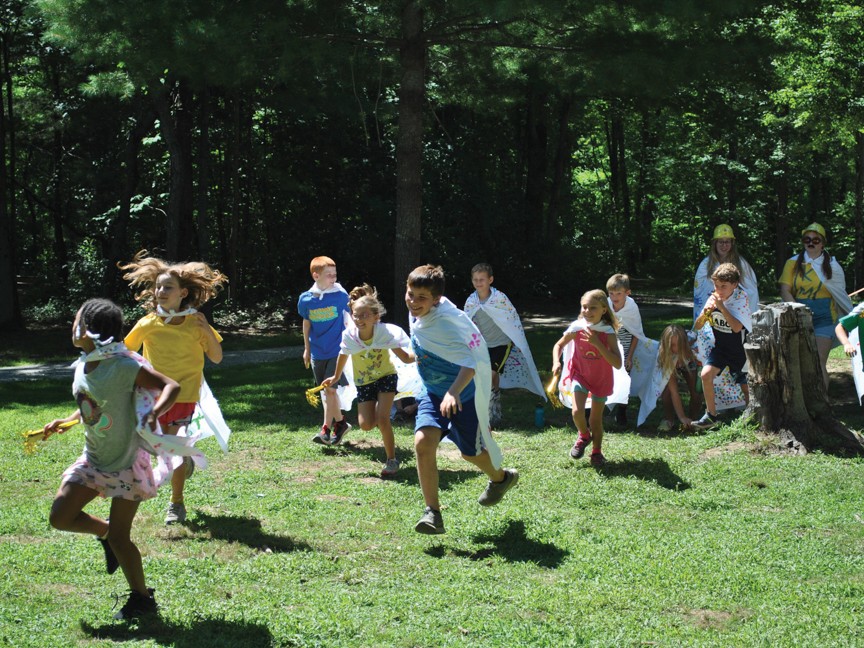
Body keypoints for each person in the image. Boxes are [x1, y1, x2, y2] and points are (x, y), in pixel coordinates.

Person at [44, 299, 180, 620]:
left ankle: (142, 599)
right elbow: (94, 403)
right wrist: (66, 421)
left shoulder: (124, 365)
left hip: (127, 462)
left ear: (88, 329)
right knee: (60, 516)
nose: (71, 326)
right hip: (94, 459)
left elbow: (170, 386)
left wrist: (154, 415)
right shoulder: (83, 364)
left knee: (122, 539)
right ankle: (104, 533)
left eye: (76, 320)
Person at [407, 265, 519, 535]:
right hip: (433, 395)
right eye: (410, 294)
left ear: (436, 299)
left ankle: (501, 478)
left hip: (463, 395)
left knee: (471, 453)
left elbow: (472, 361)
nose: (413, 302)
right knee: (423, 443)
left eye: (422, 297)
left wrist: (453, 392)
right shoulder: (421, 316)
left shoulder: (448, 320)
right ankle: (432, 513)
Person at [120, 250, 227, 525]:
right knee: (156, 448)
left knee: (174, 446)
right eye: (158, 287)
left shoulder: (196, 323)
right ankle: (183, 463)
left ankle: (176, 504)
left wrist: (205, 332)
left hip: (184, 397)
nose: (161, 291)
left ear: (183, 294)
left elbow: (216, 357)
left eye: (168, 287)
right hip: (152, 398)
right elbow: (124, 354)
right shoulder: (147, 324)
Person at [322, 284, 416, 478]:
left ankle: (391, 460)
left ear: (376, 317)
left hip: (386, 377)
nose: (359, 320)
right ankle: (378, 415)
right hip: (364, 382)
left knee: (383, 419)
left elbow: (405, 357)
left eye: (364, 315)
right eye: (356, 315)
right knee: (365, 425)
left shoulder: (383, 333)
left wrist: (422, 355)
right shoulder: (349, 335)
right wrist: (336, 376)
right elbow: (343, 355)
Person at [463, 263, 545, 427]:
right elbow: (467, 322)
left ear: (490, 280)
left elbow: (511, 318)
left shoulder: (499, 298)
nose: (479, 283)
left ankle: (484, 416)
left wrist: (515, 337)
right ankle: (494, 410)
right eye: (475, 280)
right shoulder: (471, 301)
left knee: (489, 374)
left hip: (501, 343)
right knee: (491, 377)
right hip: (483, 345)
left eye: (482, 279)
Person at [552, 289, 622, 467]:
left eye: (593, 308)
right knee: (577, 412)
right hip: (580, 375)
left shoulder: (607, 332)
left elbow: (617, 363)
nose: (587, 312)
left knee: (595, 420)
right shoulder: (577, 328)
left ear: (603, 310)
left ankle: (597, 452)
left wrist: (597, 343)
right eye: (584, 307)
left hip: (601, 379)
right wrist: (556, 362)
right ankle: (584, 435)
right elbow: (558, 345)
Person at [779, 223, 852, 390]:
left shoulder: (833, 266)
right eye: (807, 239)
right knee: (799, 362)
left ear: (822, 243)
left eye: (816, 240)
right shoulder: (792, 263)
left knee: (819, 360)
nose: (811, 243)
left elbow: (839, 294)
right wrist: (798, 310)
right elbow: (785, 290)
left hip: (826, 319)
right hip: (798, 318)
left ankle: (824, 405)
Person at [298, 256, 352, 445]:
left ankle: (331, 427)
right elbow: (306, 323)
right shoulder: (305, 299)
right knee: (327, 392)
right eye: (329, 275)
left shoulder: (340, 296)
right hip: (317, 353)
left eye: (335, 275)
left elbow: (351, 319)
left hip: (338, 351)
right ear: (316, 275)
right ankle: (335, 425)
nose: (333, 279)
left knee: (329, 389)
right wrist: (307, 348)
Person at [693, 263, 752, 430]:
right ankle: (711, 415)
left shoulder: (741, 298)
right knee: (705, 375)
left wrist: (720, 307)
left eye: (723, 286)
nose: (719, 290)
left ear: (735, 284)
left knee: (746, 388)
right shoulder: (714, 298)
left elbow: (736, 327)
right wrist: (707, 311)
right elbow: (697, 326)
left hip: (740, 350)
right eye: (716, 285)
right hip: (720, 348)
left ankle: (752, 420)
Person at [694, 224, 760, 321]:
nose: (724, 245)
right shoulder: (706, 264)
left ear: (732, 243)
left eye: (727, 242)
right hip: (712, 307)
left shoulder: (741, 263)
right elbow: (700, 290)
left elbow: (751, 289)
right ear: (715, 243)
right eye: (721, 242)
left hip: (735, 310)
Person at [606, 273, 645, 426]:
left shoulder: (632, 307)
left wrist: (629, 356)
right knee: (604, 377)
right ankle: (595, 409)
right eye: (611, 293)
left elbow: (636, 332)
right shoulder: (606, 304)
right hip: (608, 346)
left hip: (626, 346)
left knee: (624, 379)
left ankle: (621, 412)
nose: (614, 297)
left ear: (627, 293)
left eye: (619, 293)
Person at [655, 325, 702, 432]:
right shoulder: (664, 354)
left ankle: (693, 420)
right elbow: (674, 391)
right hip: (670, 361)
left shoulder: (694, 347)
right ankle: (669, 419)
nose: (675, 349)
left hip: (689, 361)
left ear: (685, 343)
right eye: (671, 345)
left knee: (696, 391)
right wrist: (682, 417)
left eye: (678, 345)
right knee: (666, 392)